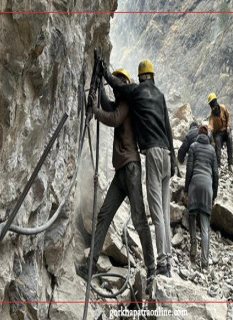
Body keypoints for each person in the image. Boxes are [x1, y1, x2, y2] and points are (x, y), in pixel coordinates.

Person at [76, 69, 155, 288]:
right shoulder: (121, 104)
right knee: (104, 216)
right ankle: (90, 265)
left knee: (139, 220)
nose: (117, 84)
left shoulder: (127, 105)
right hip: (122, 172)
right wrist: (100, 83)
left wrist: (94, 109)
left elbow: (112, 117)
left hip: (130, 169)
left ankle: (152, 269)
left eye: (120, 81)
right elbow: (108, 104)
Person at [103, 59, 176, 277]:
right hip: (166, 153)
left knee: (156, 211)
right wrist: (173, 162)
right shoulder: (160, 95)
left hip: (152, 152)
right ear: (153, 76)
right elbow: (169, 128)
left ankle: (162, 263)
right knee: (164, 209)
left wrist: (104, 73)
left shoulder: (136, 91)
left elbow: (119, 87)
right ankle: (168, 260)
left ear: (140, 76)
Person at [183, 125, 218, 270]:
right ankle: (204, 262)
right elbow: (216, 174)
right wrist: (214, 195)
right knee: (205, 226)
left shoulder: (193, 146)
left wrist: (186, 190)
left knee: (191, 215)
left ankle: (193, 248)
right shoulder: (212, 150)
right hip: (206, 189)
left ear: (198, 135)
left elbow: (189, 170)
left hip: (195, 185)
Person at [207, 93, 233, 171]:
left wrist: (228, 126)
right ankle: (218, 165)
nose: (214, 109)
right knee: (217, 143)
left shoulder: (223, 108)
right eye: (212, 107)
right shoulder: (212, 116)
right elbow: (210, 125)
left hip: (226, 130)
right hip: (218, 133)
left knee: (230, 139)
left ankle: (230, 163)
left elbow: (228, 117)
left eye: (214, 106)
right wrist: (209, 131)